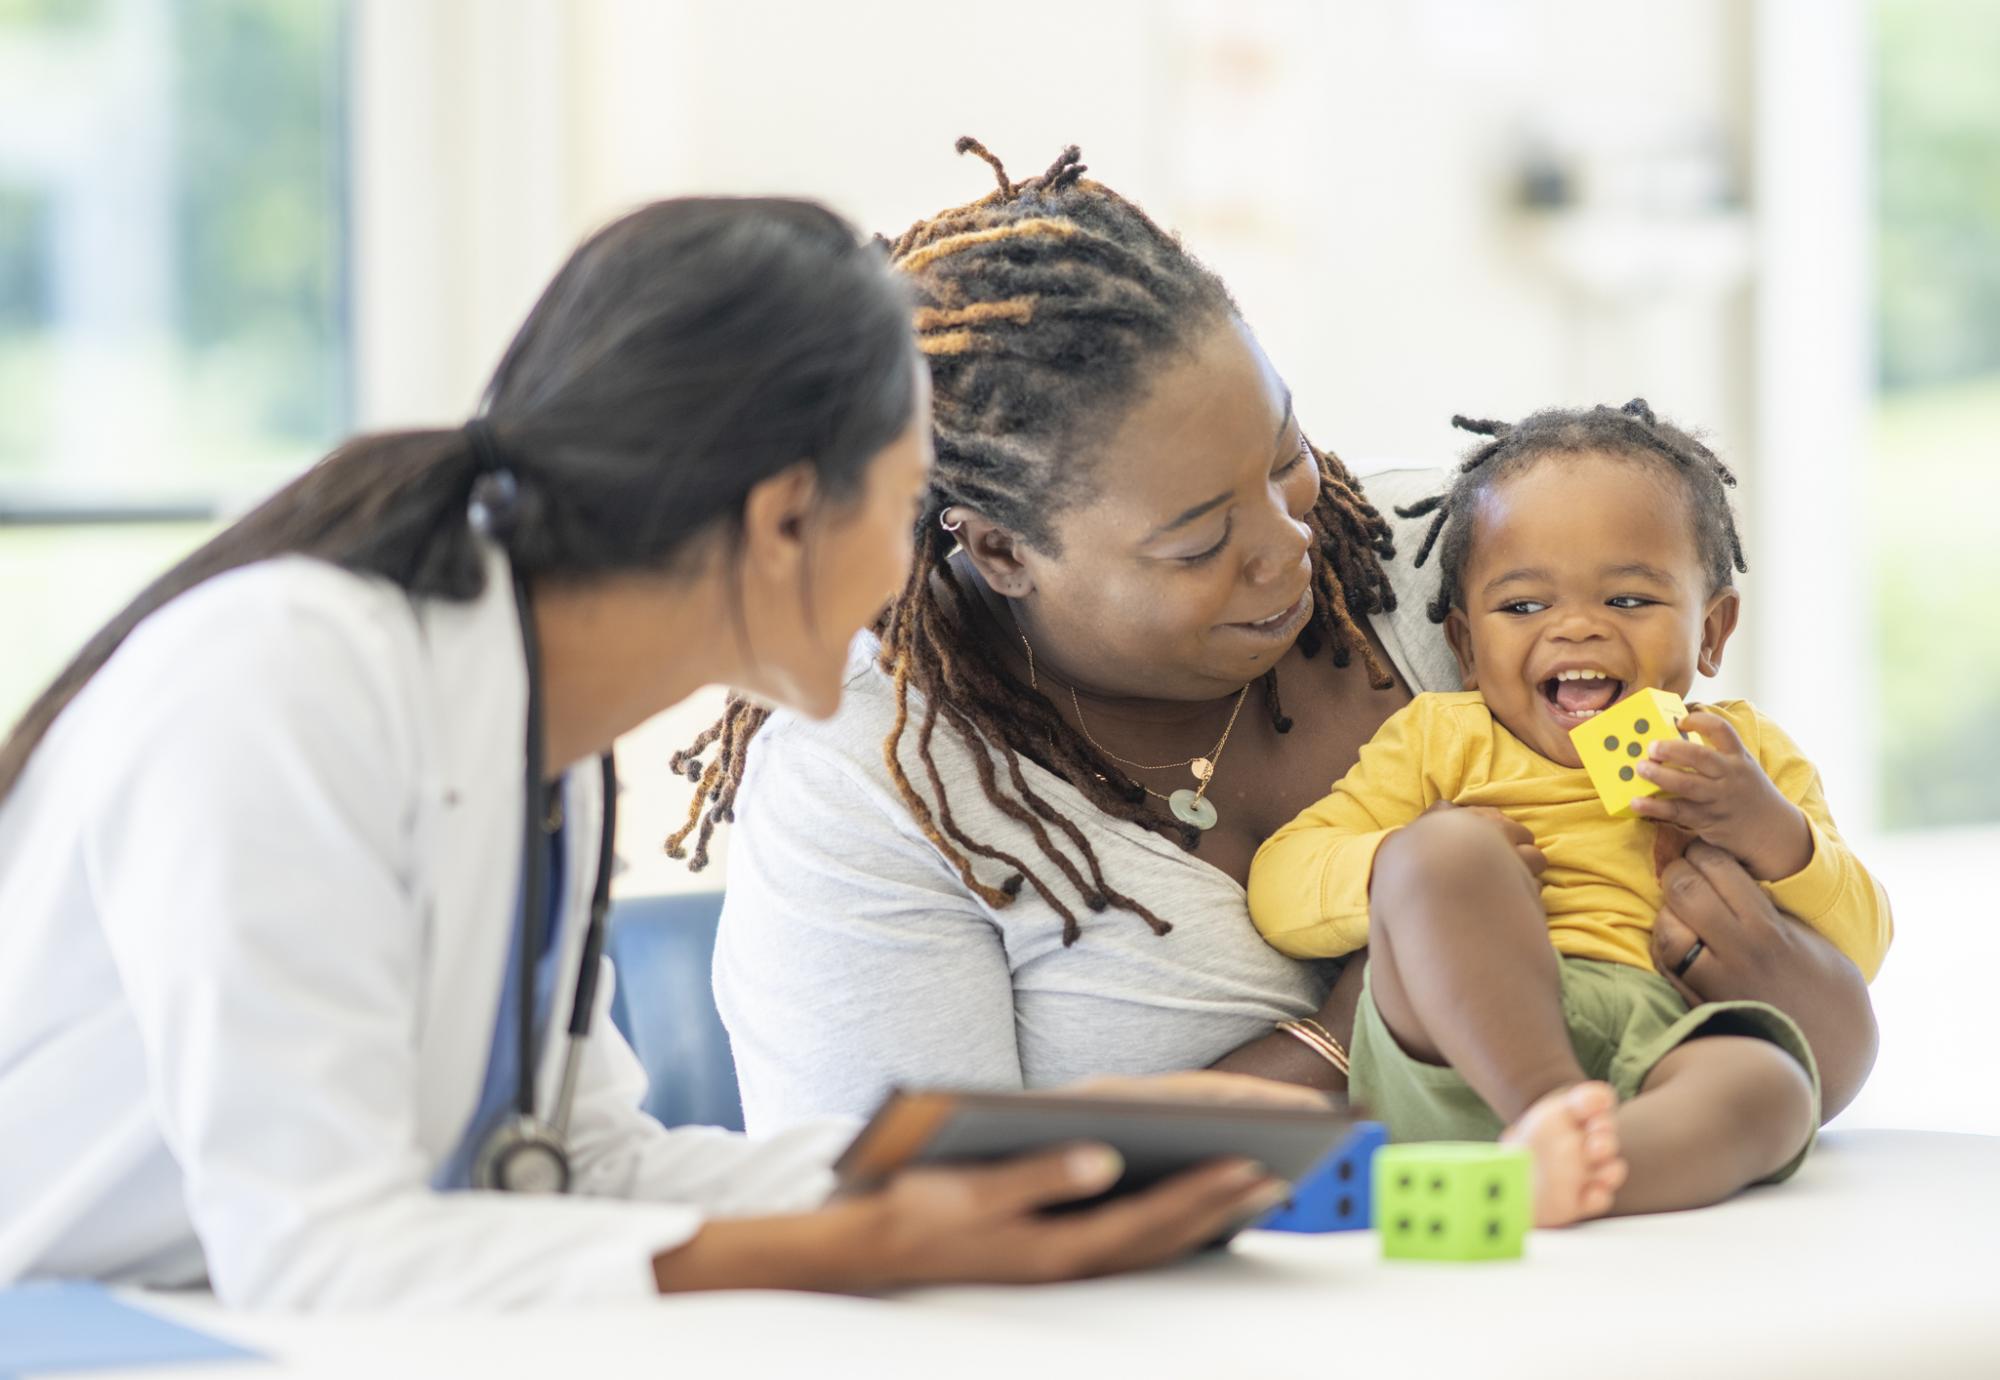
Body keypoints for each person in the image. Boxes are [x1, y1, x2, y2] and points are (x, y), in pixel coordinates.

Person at [0, 197, 1303, 1311]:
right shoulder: (285, 681)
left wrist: (1063, 1155)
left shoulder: (536, 746)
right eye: (909, 506)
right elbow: (322, 1251)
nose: (923, 568)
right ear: (787, 518)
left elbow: (578, 1171)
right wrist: (855, 1243)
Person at [688, 141, 1882, 1138]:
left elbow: (1799, 1021)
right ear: (999, 551)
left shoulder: (1470, 576)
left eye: (1285, 459)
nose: (1286, 551)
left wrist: (1783, 975)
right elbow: (908, 1216)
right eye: (1199, 540)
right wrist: (1339, 1036)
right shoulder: (873, 781)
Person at [1247, 400, 1892, 1225]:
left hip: (1658, 1043)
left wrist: (1768, 829)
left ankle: (1587, 1176)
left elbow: (1862, 944)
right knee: (1444, 854)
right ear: (1467, 648)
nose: (1576, 628)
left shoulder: (1740, 754)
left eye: (1628, 601)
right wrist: (1399, 863)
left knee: (1770, 1084)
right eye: (1523, 608)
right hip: (1456, 1044)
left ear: (1711, 632)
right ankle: (1550, 1111)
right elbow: (1280, 887)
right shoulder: (1442, 738)